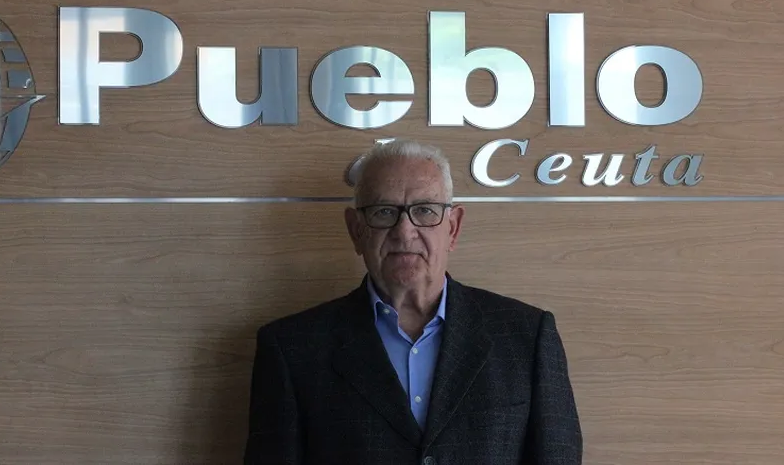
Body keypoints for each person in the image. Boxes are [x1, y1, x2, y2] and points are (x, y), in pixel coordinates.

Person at [243, 139, 583, 464]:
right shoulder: (292, 349)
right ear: (356, 230)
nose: (404, 232)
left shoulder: (527, 337)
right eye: (384, 211)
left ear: (453, 228)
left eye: (424, 210)